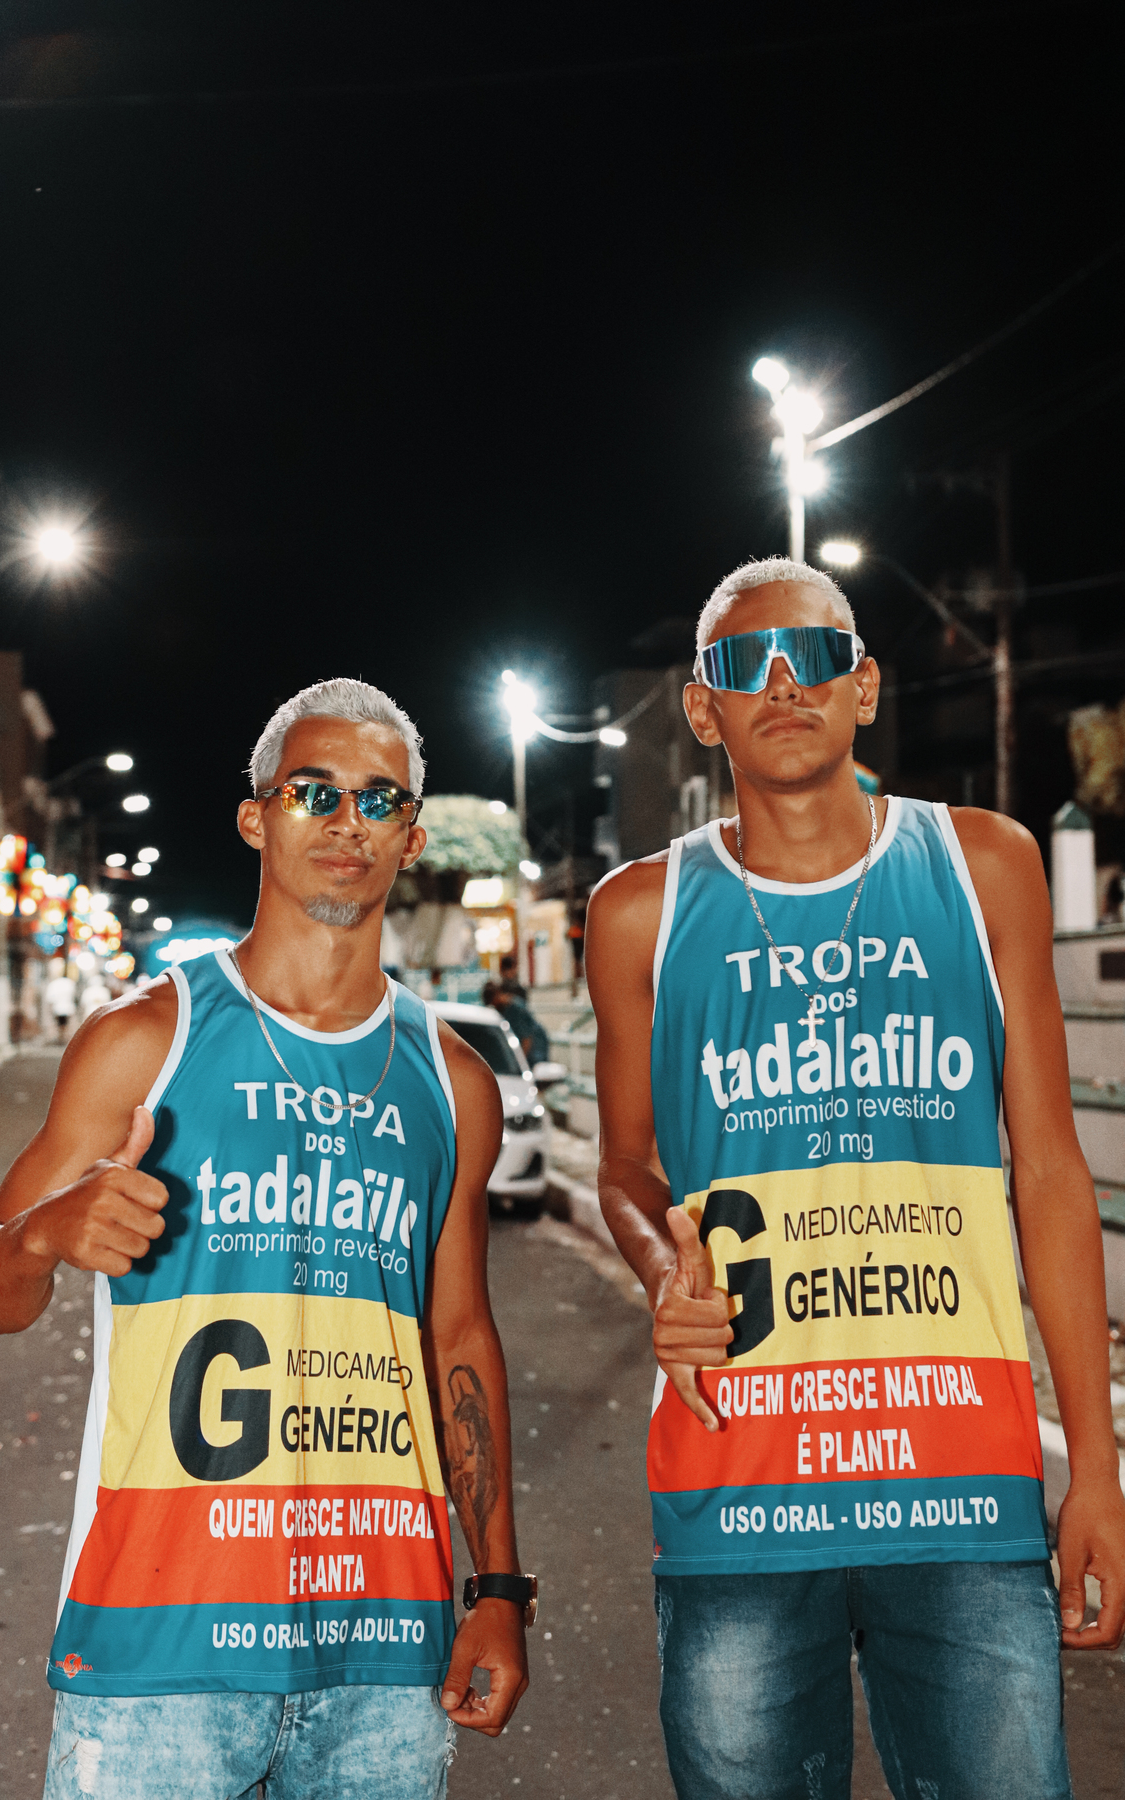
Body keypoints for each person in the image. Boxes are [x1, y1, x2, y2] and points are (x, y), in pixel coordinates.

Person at [586, 556, 1125, 1800]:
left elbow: (1050, 1170)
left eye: (817, 656)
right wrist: (663, 1269)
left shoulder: (984, 865)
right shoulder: (639, 913)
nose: (786, 683)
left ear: (865, 687)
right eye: (745, 664)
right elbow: (623, 1164)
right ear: (704, 709)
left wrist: (1094, 1467)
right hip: (741, 1493)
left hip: (965, 1488)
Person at [0, 678, 534, 1800]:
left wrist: (500, 1589)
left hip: (384, 1650)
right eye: (313, 792)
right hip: (160, 1655)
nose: (347, 821)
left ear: (412, 838)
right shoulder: (145, 1042)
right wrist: (45, 1235)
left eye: (379, 799)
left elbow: (459, 1338)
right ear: (256, 818)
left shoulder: (454, 1081)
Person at [44, 962, 77, 1043]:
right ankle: (63, 1037)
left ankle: (61, 1037)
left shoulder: (53, 984)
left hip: (57, 1008)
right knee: (65, 1024)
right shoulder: (70, 983)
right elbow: (74, 996)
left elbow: (50, 999)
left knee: (59, 1024)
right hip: (68, 1008)